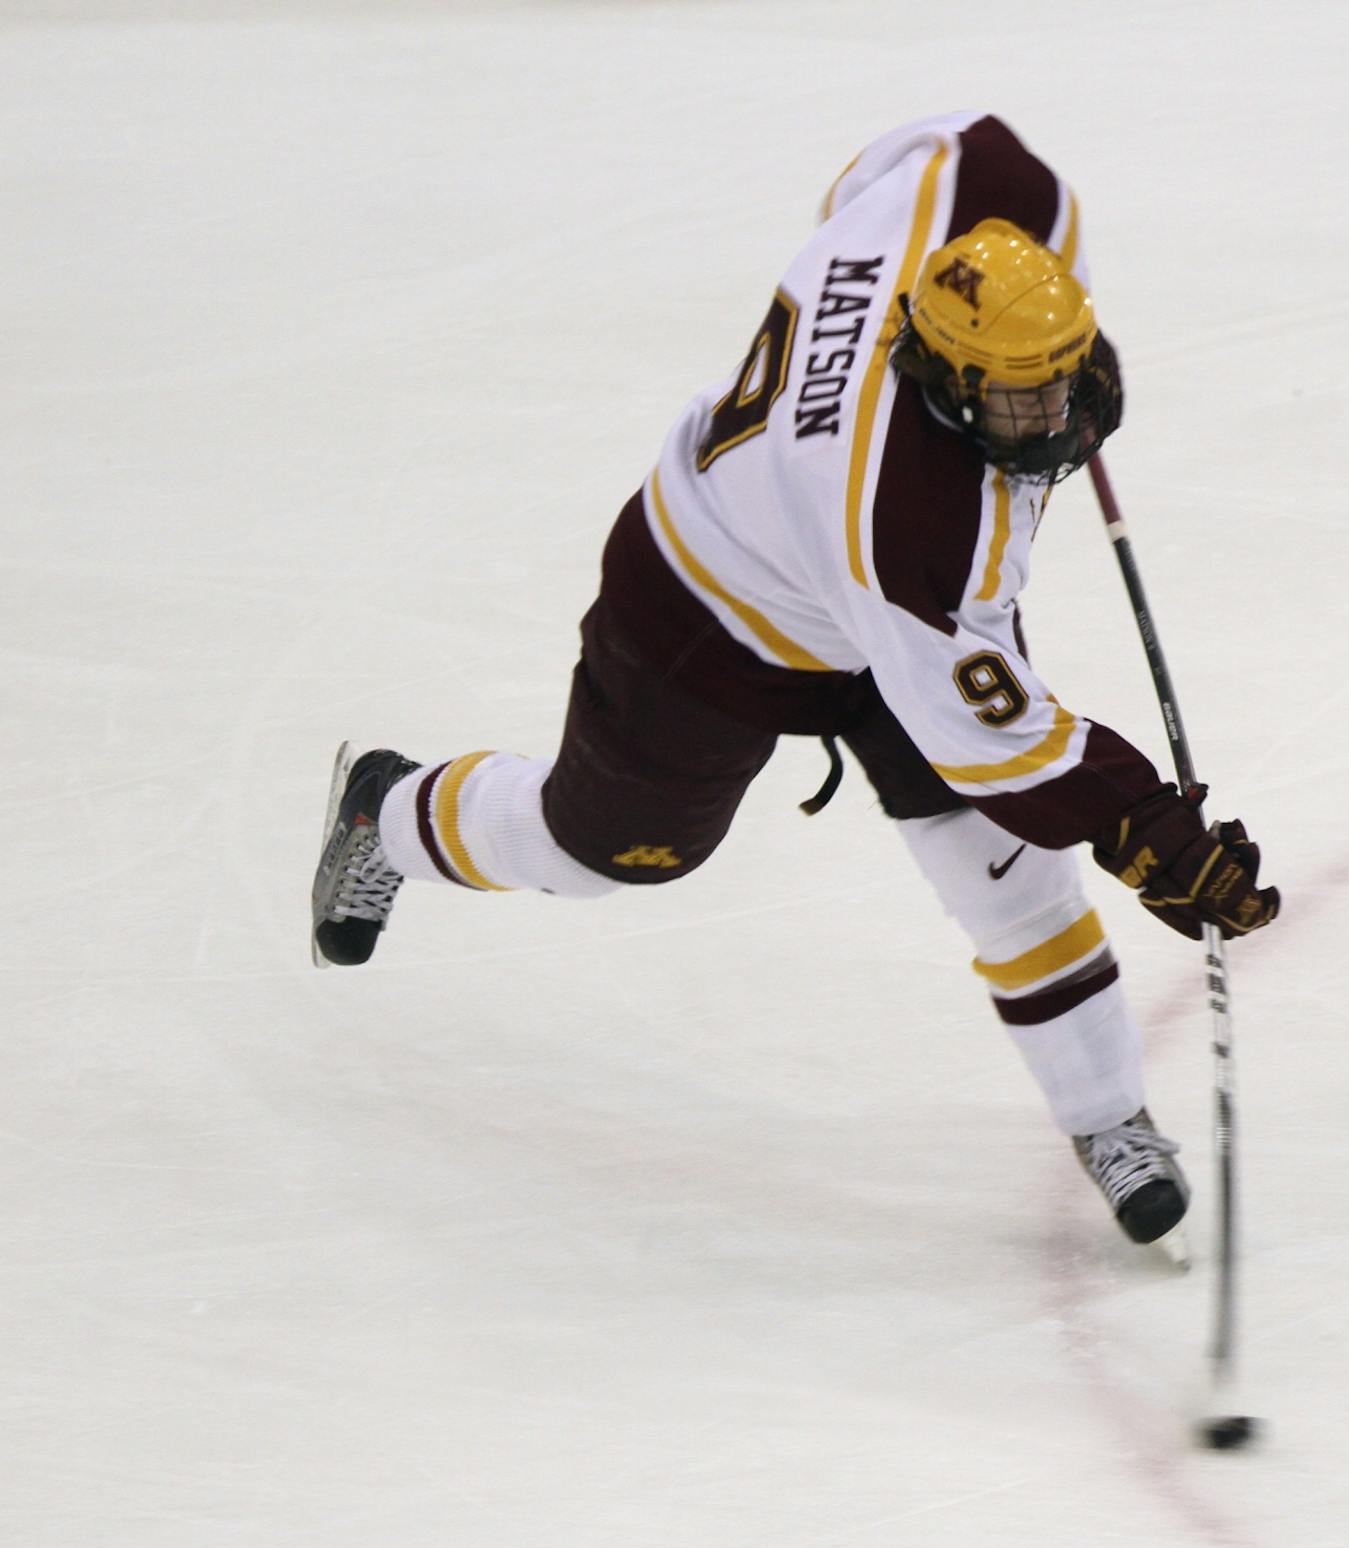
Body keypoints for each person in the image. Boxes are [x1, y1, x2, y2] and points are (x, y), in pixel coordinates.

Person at [309, 111, 1281, 1250]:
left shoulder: (994, 193)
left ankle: (1110, 1118)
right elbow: (991, 744)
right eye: (1025, 399)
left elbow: (916, 153)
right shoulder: (907, 519)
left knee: (1001, 872)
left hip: (866, 598)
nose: (1060, 418)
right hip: (709, 610)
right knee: (606, 849)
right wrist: (1143, 826)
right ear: (948, 380)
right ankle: (390, 811)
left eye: (1063, 379)